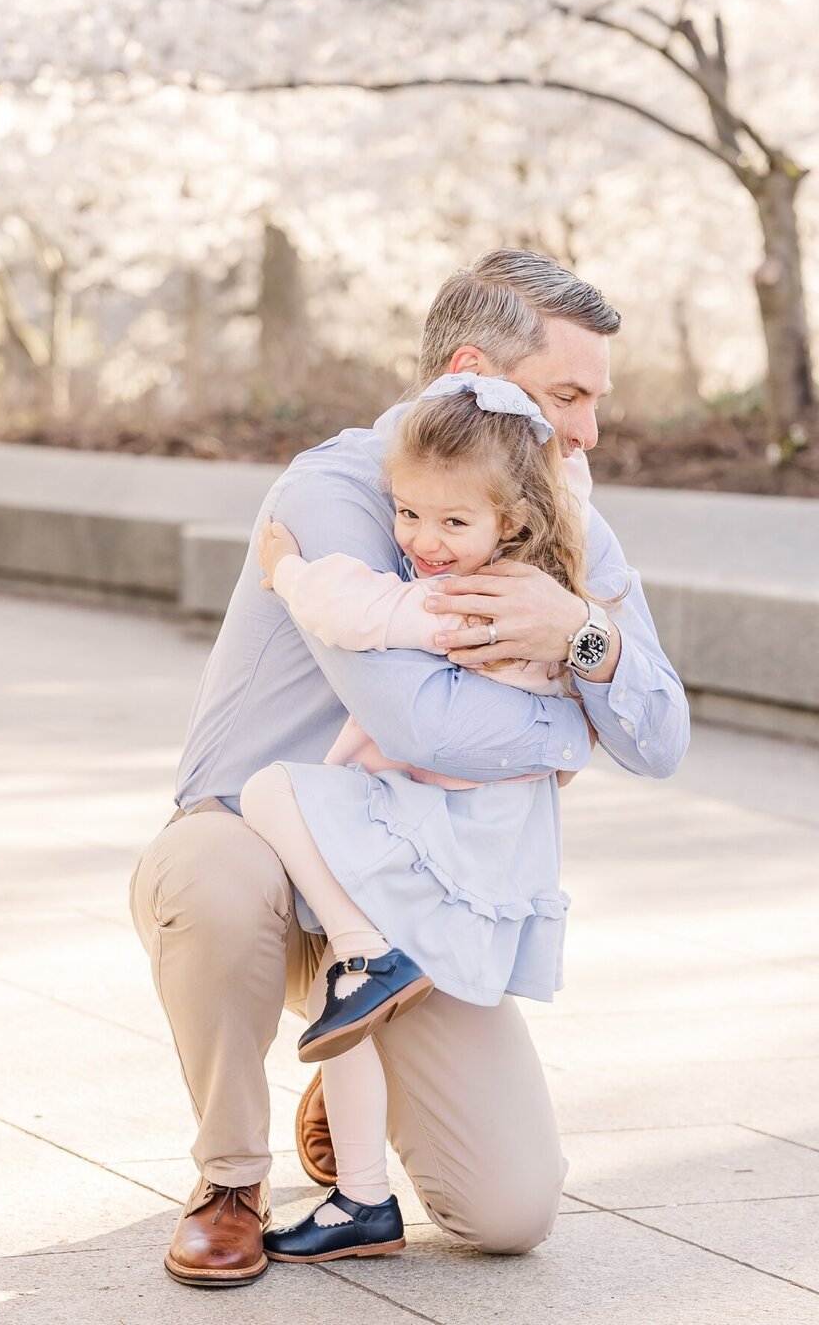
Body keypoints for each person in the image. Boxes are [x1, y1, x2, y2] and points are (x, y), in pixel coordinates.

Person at [129, 248, 690, 1288]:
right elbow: (420, 726)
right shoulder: (338, 488)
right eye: (568, 395)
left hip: (407, 875)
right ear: (472, 371)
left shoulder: (558, 509)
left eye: (595, 402)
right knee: (219, 879)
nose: (589, 432)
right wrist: (577, 729)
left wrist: (583, 638)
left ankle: (361, 1045)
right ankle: (231, 1180)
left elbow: (660, 731)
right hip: (257, 842)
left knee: (511, 1213)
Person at [239, 372, 605, 1263]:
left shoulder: (476, 598)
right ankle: (361, 1199)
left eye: (452, 523)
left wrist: (282, 568)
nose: (422, 542)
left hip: (444, 832)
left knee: (271, 794)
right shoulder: (541, 572)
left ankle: (367, 949)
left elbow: (359, 610)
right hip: (461, 833)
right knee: (349, 1010)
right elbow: (568, 496)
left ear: (510, 523)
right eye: (407, 515)